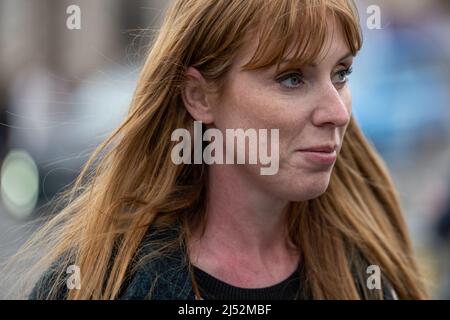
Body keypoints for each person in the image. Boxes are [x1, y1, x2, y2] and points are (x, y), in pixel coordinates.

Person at [21, 0, 427, 299]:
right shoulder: (103, 282)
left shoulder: (370, 274)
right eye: (291, 78)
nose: (338, 113)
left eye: (341, 73)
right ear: (199, 97)